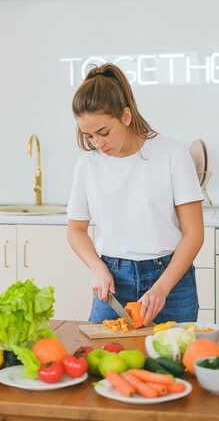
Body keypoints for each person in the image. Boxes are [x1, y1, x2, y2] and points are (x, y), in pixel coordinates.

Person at [66, 63, 204, 326]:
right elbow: (76, 229)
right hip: (114, 282)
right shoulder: (88, 165)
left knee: (173, 362)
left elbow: (194, 233)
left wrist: (162, 288)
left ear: (126, 116)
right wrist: (97, 268)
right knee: (104, 362)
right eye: (89, 135)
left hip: (171, 281)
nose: (97, 143)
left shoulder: (172, 154)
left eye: (103, 132)